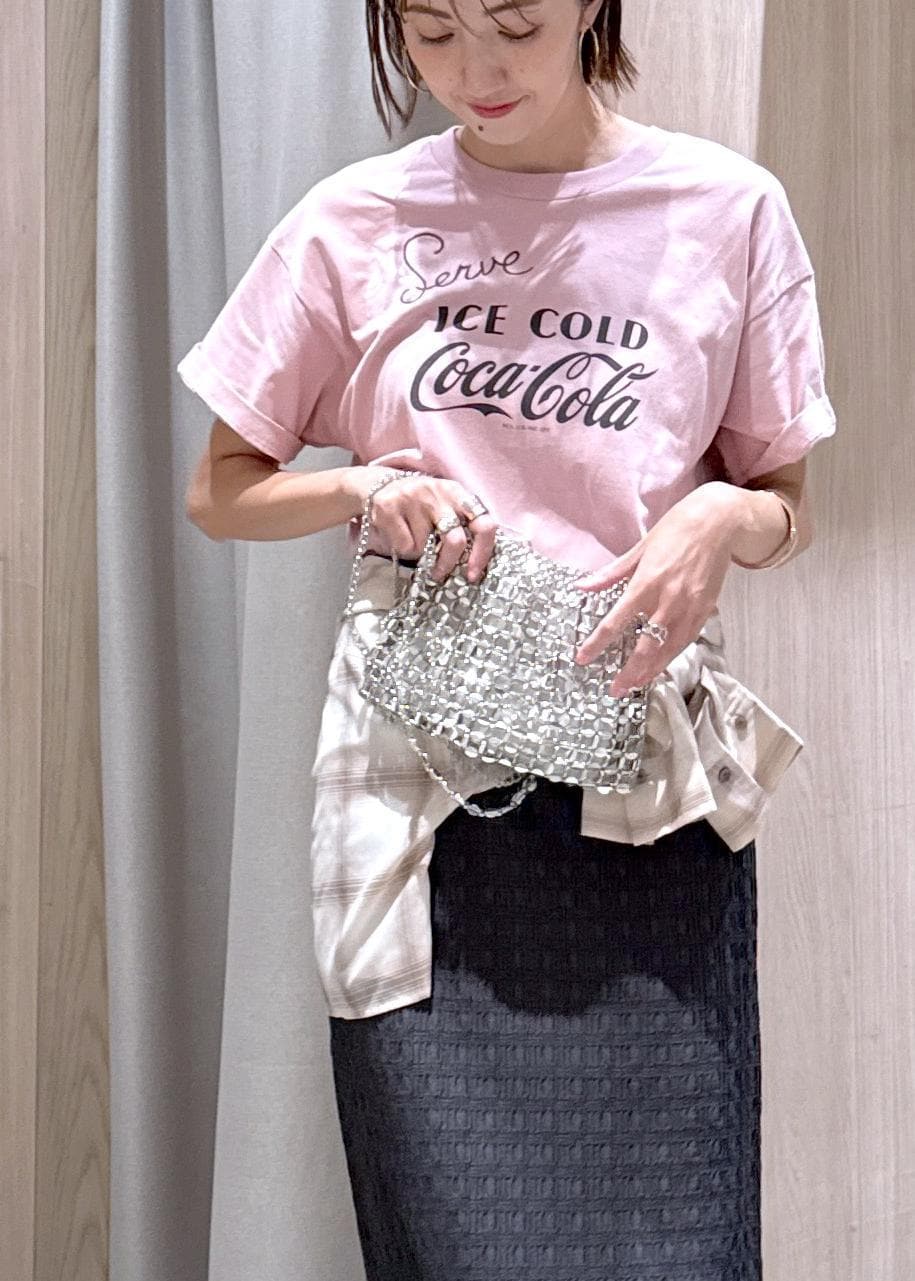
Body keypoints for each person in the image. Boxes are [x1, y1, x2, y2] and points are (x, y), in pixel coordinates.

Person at [176, 2, 837, 1277]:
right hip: (420, 810)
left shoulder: (726, 210)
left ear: (589, 6)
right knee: (453, 1236)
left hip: (646, 799)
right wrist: (365, 486)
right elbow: (221, 489)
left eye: (517, 24)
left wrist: (717, 516)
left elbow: (787, 507)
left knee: (676, 1239)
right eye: (431, 33)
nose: (474, 71)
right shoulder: (352, 222)